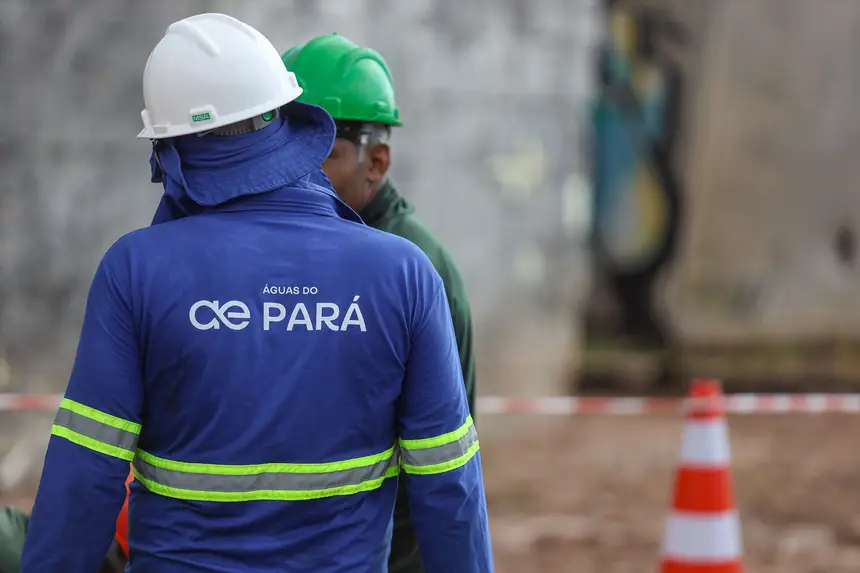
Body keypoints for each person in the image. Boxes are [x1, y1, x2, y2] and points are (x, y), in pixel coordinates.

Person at [20, 13, 493, 573]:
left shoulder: (136, 270)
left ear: (169, 150)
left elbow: (85, 476)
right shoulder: (406, 273)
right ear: (287, 121)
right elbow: (450, 489)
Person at [281, 34, 479, 573]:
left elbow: (439, 466)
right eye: (281, 149)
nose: (291, 174)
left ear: (377, 161)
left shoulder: (413, 272)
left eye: (320, 155)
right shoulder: (293, 250)